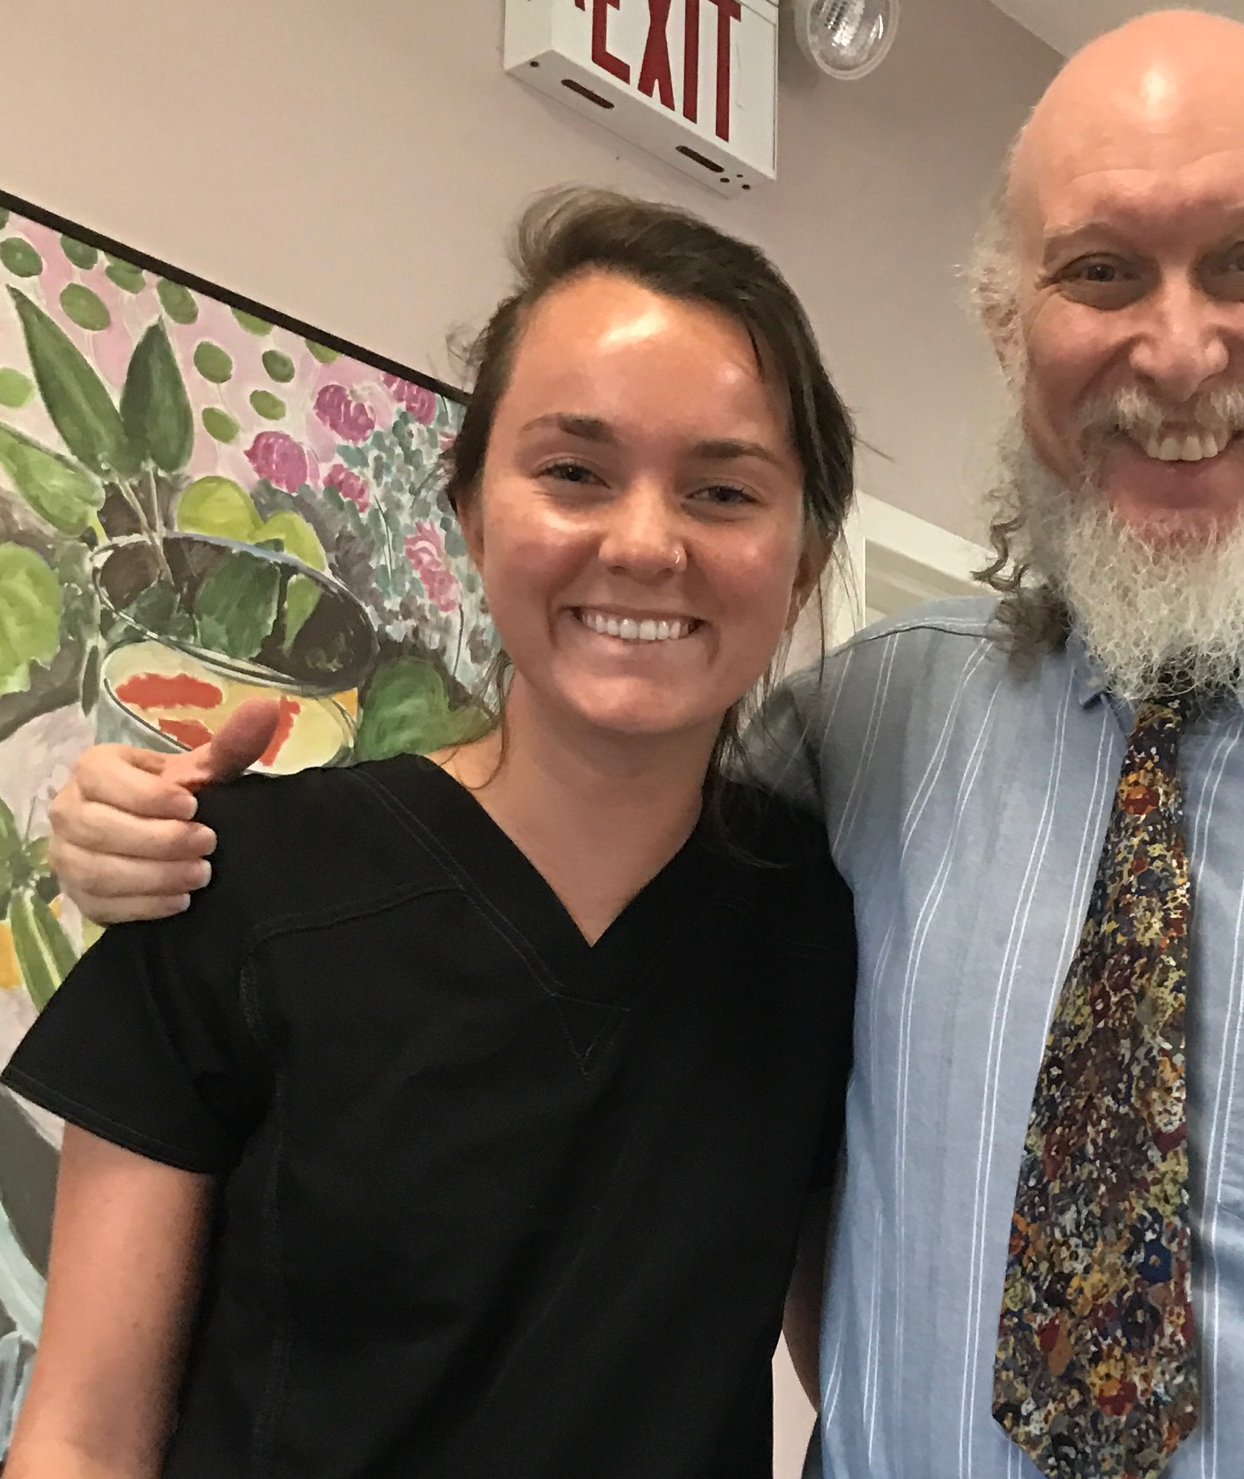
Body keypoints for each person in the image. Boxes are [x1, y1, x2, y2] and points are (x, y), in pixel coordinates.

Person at [48, 10, 1244, 1479]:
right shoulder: (869, 733)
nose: (1174, 348)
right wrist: (136, 816)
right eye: (1097, 271)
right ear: (1006, 323)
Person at [5, 187, 859, 1479]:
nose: (643, 542)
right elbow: (81, 1433)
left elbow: (852, 1360)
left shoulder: (821, 932)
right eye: (573, 471)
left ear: (803, 556)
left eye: (723, 490)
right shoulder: (232, 883)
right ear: (469, 508)